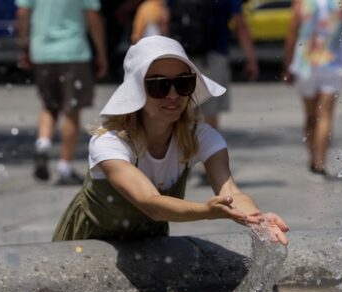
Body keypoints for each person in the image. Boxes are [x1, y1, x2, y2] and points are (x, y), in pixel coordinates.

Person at [53, 36, 288, 244]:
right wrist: (206, 210)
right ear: (136, 92)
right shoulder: (110, 141)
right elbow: (151, 203)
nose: (173, 94)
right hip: (86, 243)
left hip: (149, 244)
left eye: (183, 82)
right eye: (159, 86)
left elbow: (232, 193)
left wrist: (257, 220)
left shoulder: (200, 136)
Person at [16, 0, 108, 184]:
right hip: (73, 52)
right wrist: (102, 53)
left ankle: (43, 145)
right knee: (71, 111)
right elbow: (92, 16)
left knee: (49, 106)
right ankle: (65, 167)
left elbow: (22, 14)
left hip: (41, 51)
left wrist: (25, 46)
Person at [283, 0, 342, 177]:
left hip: (306, 64)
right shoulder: (341, 2)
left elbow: (292, 33)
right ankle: (320, 162)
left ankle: (313, 158)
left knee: (310, 116)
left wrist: (287, 64)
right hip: (332, 63)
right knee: (325, 115)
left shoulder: (301, 3)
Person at [168, 0, 259, 131]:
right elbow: (240, 24)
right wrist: (251, 60)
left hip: (183, 58)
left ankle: (185, 149)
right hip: (214, 57)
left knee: (185, 111)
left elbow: (165, 18)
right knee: (209, 115)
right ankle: (209, 150)